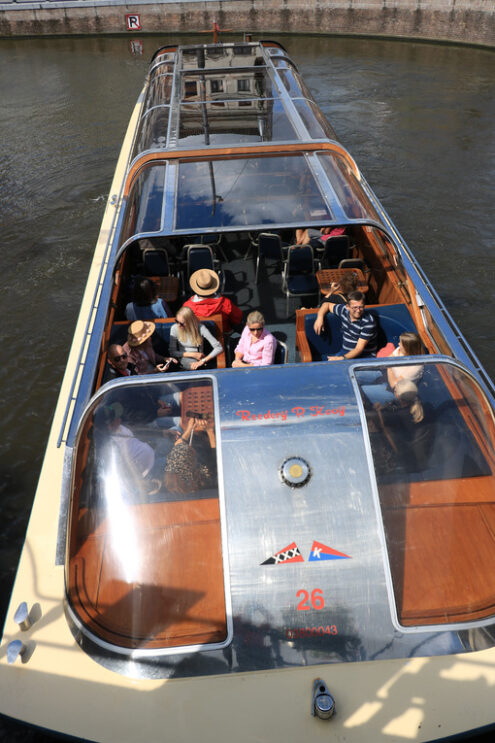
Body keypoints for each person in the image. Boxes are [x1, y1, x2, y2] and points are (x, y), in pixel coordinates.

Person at [371, 379, 433, 473]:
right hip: (424, 453)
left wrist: (379, 410)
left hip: (406, 455)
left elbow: (380, 423)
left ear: (397, 395)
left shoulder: (393, 417)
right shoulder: (427, 408)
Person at [359, 332, 425, 406]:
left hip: (394, 391)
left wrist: (389, 368)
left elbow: (393, 384)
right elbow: (388, 360)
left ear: (408, 348)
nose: (399, 344)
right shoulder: (401, 350)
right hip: (383, 374)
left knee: (361, 391)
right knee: (355, 376)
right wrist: (389, 367)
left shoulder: (416, 367)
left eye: (401, 343)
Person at [313, 291, 377, 360]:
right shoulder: (343, 310)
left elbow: (359, 349)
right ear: (348, 307)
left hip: (364, 356)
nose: (358, 311)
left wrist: (341, 358)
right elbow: (326, 304)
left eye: (361, 307)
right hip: (345, 352)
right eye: (355, 307)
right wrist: (319, 318)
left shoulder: (368, 322)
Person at [163, 417, 217, 495]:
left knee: (177, 428)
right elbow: (214, 456)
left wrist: (189, 429)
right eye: (191, 451)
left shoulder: (173, 473)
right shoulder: (206, 475)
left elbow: (178, 445)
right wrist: (210, 431)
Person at [169, 305, 222, 370]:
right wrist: (193, 354)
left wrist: (203, 361)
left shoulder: (201, 328)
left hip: (200, 360)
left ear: (190, 322)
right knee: (194, 366)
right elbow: (172, 352)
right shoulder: (174, 328)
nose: (179, 325)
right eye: (177, 321)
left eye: (182, 323)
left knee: (197, 366)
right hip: (183, 357)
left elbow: (219, 347)